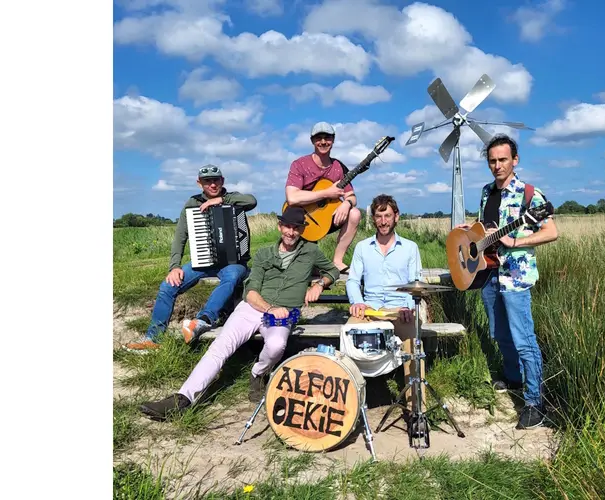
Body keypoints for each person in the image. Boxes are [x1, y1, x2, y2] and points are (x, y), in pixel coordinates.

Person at [138, 205, 341, 419]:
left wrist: (319, 284)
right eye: (287, 226)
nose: (291, 232)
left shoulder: (311, 252)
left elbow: (333, 270)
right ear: (280, 226)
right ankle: (182, 398)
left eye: (296, 228)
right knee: (220, 347)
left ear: (302, 229)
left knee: (276, 345)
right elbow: (251, 293)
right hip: (253, 308)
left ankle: (258, 373)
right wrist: (271, 308)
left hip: (284, 314)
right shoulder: (264, 254)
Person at [456, 134, 558, 430]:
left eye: (503, 159)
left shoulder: (529, 195)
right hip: (487, 273)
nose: (497, 165)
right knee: (498, 331)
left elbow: (552, 232)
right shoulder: (487, 192)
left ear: (515, 160)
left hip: (516, 275)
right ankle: (513, 377)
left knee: (524, 339)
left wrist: (516, 241)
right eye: (492, 160)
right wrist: (471, 232)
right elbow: (485, 230)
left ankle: (533, 402)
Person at [124, 165, 257, 351]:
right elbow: (180, 236)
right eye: (207, 181)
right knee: (167, 286)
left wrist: (220, 200)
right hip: (204, 261)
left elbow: (252, 201)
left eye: (216, 180)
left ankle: (203, 320)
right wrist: (174, 266)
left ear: (222, 180)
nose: (212, 184)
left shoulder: (234, 199)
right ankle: (153, 338)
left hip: (233, 262)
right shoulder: (192, 203)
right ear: (199, 183)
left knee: (232, 278)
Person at [345, 194, 424, 405]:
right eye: (379, 216)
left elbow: (416, 282)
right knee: (346, 337)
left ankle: (416, 406)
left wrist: (408, 306)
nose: (383, 221)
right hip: (370, 310)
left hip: (399, 310)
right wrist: (358, 302)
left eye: (387, 215)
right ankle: (353, 403)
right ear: (373, 219)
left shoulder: (410, 247)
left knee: (415, 345)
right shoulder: (362, 247)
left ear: (396, 217)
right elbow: (353, 280)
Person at [285, 121, 361, 273]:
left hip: (327, 218)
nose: (323, 142)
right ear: (312, 141)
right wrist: (326, 193)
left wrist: (346, 204)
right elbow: (292, 198)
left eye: (327, 138)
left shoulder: (338, 167)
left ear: (333, 140)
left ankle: (338, 261)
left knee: (355, 213)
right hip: (302, 218)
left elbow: (351, 196)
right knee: (301, 269)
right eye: (319, 138)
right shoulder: (299, 164)